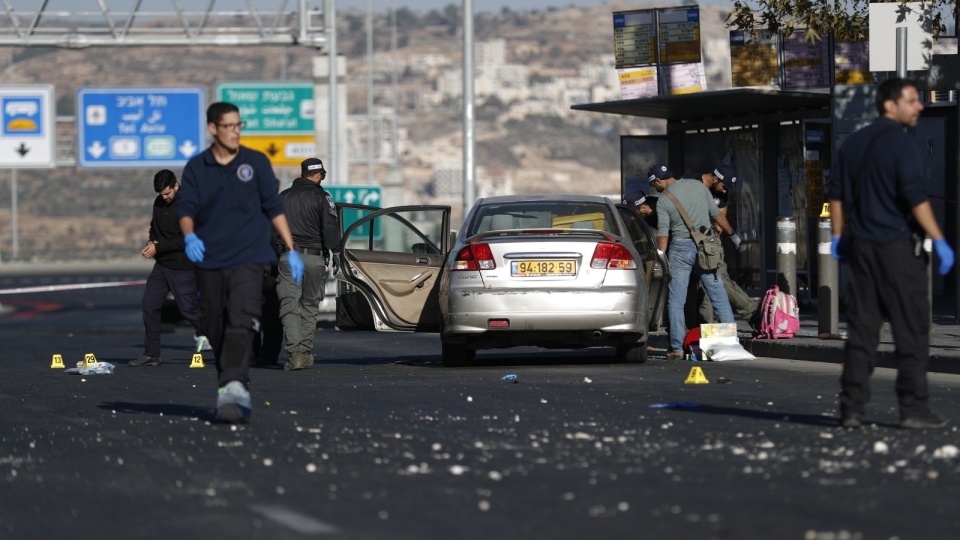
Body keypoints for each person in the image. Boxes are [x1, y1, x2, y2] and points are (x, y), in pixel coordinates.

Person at [828, 78, 955, 430]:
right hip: (898, 249)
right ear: (890, 105)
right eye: (913, 101)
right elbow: (915, 198)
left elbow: (836, 195)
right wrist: (939, 239)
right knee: (911, 330)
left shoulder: (852, 144)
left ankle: (851, 408)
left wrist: (838, 237)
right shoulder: (902, 144)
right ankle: (913, 409)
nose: (920, 107)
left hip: (861, 250)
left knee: (863, 330)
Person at [178, 101, 305, 423]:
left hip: (250, 258)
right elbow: (186, 210)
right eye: (229, 126)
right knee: (214, 325)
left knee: (241, 318)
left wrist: (290, 248)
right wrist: (190, 236)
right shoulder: (196, 167)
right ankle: (230, 382)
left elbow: (274, 207)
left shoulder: (256, 163)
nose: (236, 131)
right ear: (213, 129)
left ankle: (234, 384)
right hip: (210, 260)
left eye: (239, 125)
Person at [649, 164, 736, 359]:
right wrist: (732, 233)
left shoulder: (663, 200)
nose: (655, 189)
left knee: (676, 300)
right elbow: (716, 214)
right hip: (706, 248)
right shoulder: (698, 187)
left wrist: (659, 260)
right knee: (718, 295)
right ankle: (730, 342)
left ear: (658, 181)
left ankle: (676, 348)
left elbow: (663, 236)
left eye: (654, 185)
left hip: (679, 250)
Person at [132, 169, 210, 368]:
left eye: (167, 193)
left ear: (176, 186)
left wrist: (159, 247)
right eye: (161, 194)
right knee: (149, 305)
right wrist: (152, 241)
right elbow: (154, 226)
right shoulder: (159, 203)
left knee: (189, 310)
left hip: (183, 266)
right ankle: (152, 354)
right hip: (161, 266)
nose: (164, 198)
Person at [277, 157, 341, 371]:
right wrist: (337, 252)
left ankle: (295, 353)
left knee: (289, 306)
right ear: (318, 174)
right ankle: (304, 352)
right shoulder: (324, 197)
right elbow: (330, 227)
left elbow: (271, 230)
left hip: (288, 258)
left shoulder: (283, 197)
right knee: (309, 306)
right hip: (314, 259)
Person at [696, 165, 760, 327]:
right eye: (724, 186)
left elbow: (720, 218)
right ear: (715, 178)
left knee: (720, 280)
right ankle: (701, 327)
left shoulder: (721, 192)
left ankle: (753, 314)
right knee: (699, 287)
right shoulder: (693, 182)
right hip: (689, 241)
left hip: (709, 244)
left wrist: (715, 237)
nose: (725, 191)